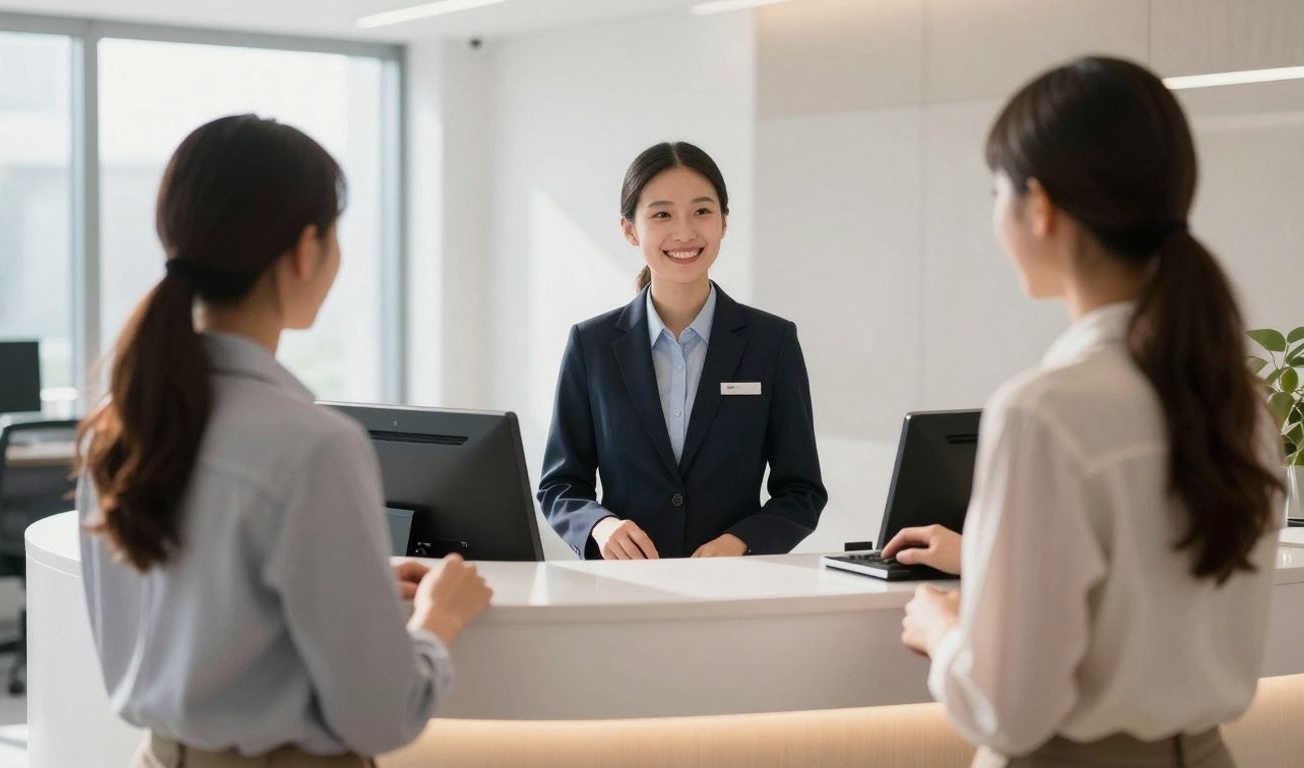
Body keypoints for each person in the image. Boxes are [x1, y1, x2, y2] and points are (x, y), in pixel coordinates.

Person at [887, 57, 1284, 767]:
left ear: (1039, 206)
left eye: (996, 191)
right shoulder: (1242, 404)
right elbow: (1153, 582)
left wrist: (941, 630)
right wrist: (985, 559)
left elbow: (1008, 709)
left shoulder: (1044, 412)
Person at [76, 114, 492, 768]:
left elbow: (195, 600)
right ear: (304, 250)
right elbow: (381, 712)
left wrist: (350, 579)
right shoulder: (313, 446)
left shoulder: (118, 425)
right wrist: (438, 620)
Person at [538, 141, 827, 559]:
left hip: (737, 584)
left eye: (702, 211)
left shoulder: (772, 342)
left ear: (724, 223)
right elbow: (560, 485)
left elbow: (802, 491)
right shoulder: (591, 345)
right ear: (629, 230)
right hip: (624, 583)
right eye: (662, 214)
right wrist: (600, 526)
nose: (685, 232)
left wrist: (742, 542)